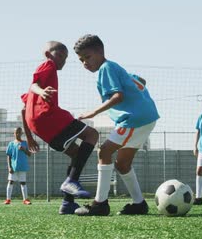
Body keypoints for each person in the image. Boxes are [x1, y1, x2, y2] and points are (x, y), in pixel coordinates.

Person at [73, 34, 160, 216]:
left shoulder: (106, 68)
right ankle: (139, 204)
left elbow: (117, 96)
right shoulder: (115, 67)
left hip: (133, 119)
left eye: (87, 57)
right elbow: (140, 81)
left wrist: (93, 112)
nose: (85, 63)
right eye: (81, 60)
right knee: (122, 164)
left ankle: (100, 205)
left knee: (104, 152)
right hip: (147, 117)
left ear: (100, 51)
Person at [21, 41, 100, 214]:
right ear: (48, 54)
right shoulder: (47, 65)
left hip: (38, 126)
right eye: (60, 56)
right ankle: (71, 182)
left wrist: (29, 136)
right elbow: (35, 85)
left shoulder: (44, 78)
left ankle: (67, 203)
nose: (63, 60)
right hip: (48, 118)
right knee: (92, 134)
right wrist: (41, 91)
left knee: (75, 153)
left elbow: (23, 107)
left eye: (65, 58)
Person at [4, 127, 32, 205]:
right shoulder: (11, 144)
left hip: (22, 166)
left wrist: (23, 149)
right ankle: (8, 199)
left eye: (19, 132)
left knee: (23, 183)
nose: (17, 134)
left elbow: (29, 154)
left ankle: (25, 199)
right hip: (13, 167)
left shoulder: (25, 143)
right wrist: (9, 167)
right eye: (16, 132)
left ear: (22, 134)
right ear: (14, 134)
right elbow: (9, 156)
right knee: (10, 182)